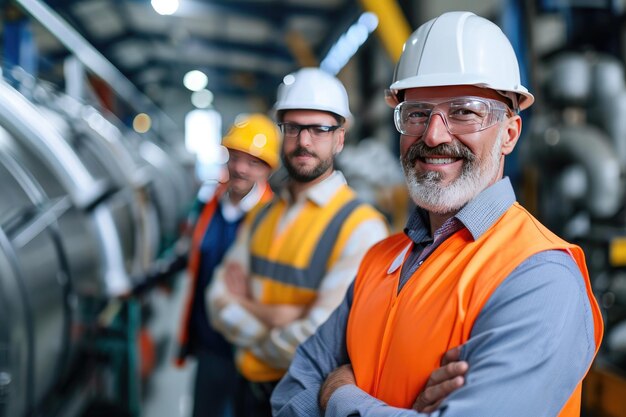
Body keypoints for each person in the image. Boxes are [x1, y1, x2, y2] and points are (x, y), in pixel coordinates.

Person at [271, 11, 604, 417]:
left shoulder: (539, 278)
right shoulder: (380, 260)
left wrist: (338, 393)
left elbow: (317, 388)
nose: (433, 135)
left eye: (465, 111)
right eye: (416, 113)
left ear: (509, 134)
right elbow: (291, 392)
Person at [206, 67, 389, 417]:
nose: (304, 141)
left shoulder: (362, 228)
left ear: (340, 137)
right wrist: (279, 317)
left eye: (319, 129)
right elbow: (217, 299)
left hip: (301, 400)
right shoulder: (262, 215)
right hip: (244, 389)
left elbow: (320, 342)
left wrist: (248, 308)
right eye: (293, 128)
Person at [175, 113, 280, 417]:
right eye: (235, 157)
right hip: (208, 342)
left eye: (253, 162)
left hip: (247, 350)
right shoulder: (211, 203)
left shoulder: (272, 218)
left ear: (268, 170)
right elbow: (192, 254)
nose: (240, 168)